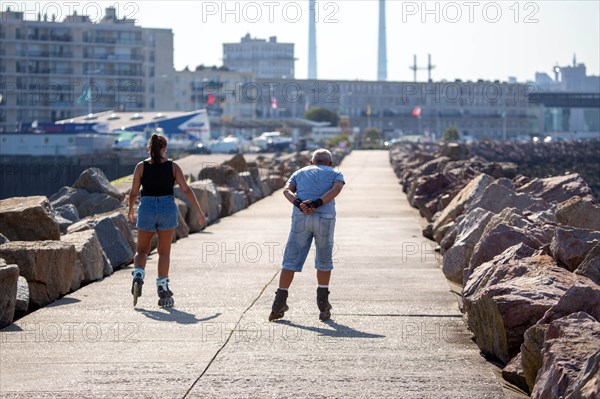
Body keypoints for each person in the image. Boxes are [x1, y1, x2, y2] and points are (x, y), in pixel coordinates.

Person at [128, 134, 205, 307]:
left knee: (141, 250)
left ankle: (138, 275)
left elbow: (133, 192)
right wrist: (199, 211)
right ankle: (162, 288)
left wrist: (130, 208)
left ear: (149, 148)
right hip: (167, 208)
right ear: (164, 149)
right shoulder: (173, 167)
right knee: (164, 252)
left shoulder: (141, 166)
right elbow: (185, 189)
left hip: (146, 207)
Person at [269, 148, 345, 322]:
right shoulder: (335, 172)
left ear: (311, 162)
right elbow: (337, 188)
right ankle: (323, 305)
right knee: (324, 260)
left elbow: (286, 190)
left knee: (290, 259)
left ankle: (279, 304)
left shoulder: (299, 172)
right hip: (325, 219)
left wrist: (300, 204)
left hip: (301, 218)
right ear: (330, 163)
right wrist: (318, 203)